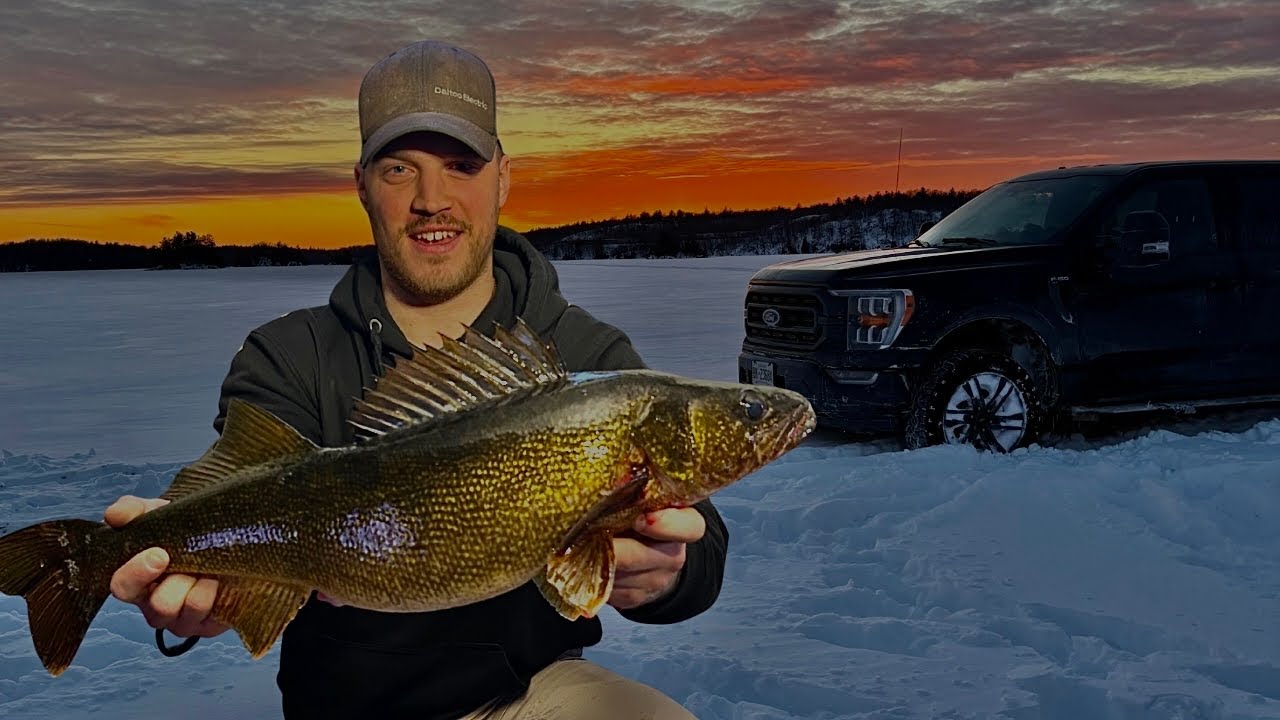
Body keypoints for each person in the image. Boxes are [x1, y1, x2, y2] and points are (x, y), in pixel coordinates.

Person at [103, 40, 727, 719]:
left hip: (529, 694)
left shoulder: (581, 352)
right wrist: (185, 588)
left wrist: (666, 573)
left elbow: (702, 550)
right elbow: (235, 490)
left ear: (502, 177)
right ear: (362, 183)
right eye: (400, 168)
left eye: (462, 165)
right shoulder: (292, 354)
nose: (432, 200)